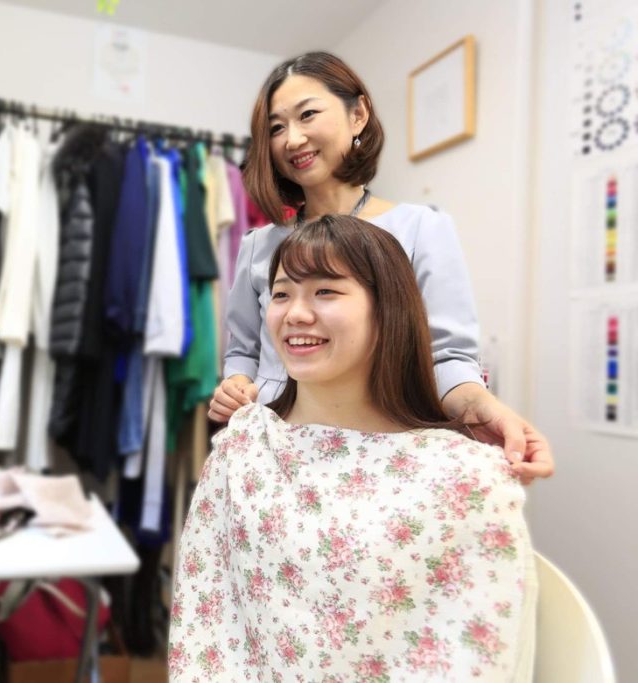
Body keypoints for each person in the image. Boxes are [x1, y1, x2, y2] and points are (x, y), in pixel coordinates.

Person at [170, 216, 536, 681]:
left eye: (325, 291)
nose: (295, 313)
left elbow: (478, 658)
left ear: (388, 309)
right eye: (281, 294)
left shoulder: (466, 480)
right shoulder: (243, 451)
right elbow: (206, 627)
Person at [210, 52, 552, 484]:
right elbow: (243, 349)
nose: (292, 139)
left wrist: (477, 403)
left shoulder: (420, 228)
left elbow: (446, 354)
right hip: (273, 450)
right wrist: (236, 384)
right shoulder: (259, 245)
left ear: (358, 115)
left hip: (379, 455)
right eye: (276, 128)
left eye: (307, 115)